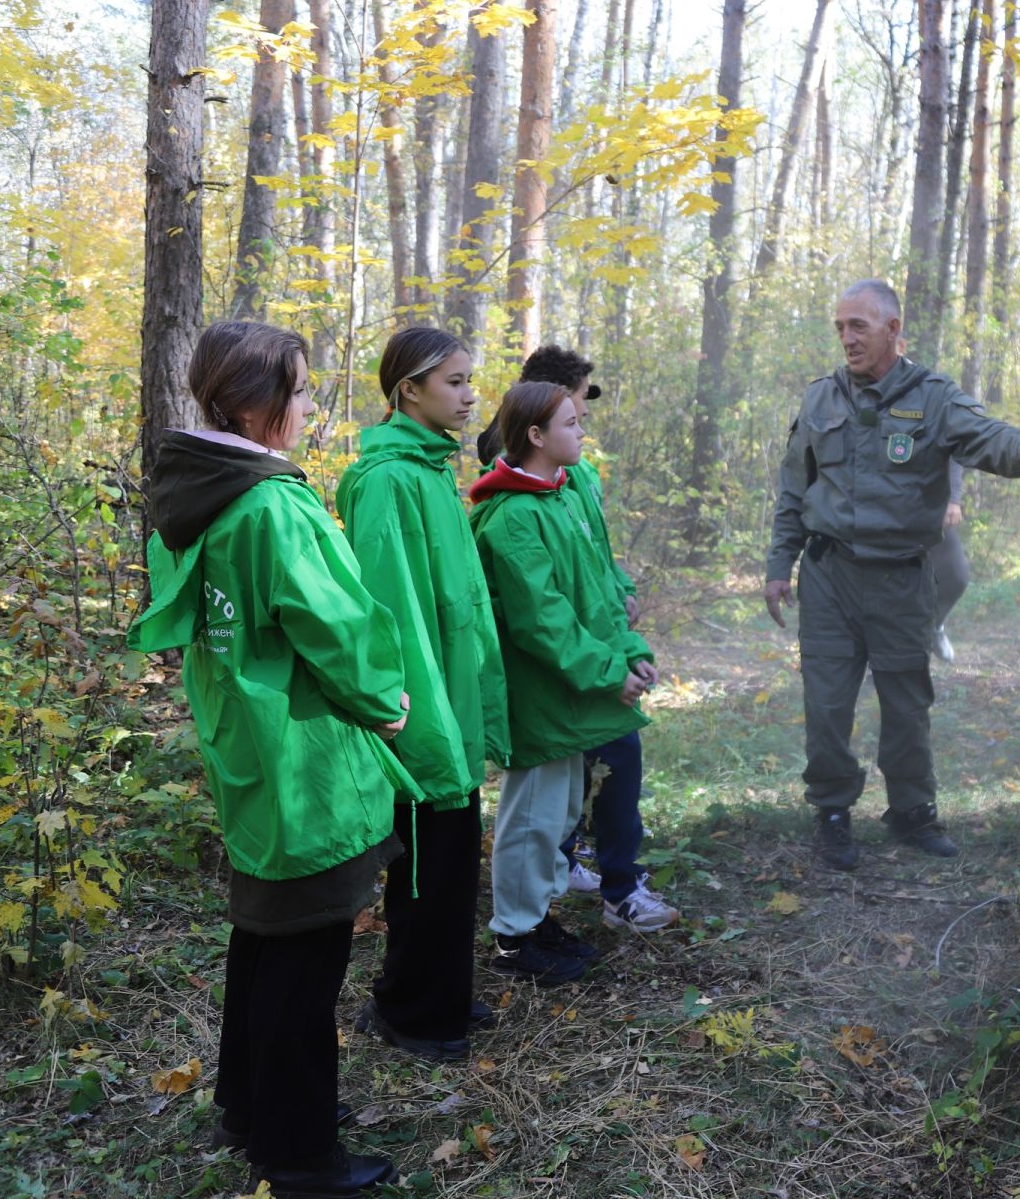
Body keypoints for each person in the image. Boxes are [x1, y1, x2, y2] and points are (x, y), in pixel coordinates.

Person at [128, 320, 417, 1197]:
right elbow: (334, 624)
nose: (306, 408)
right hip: (304, 762)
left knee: (261, 937)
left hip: (249, 752)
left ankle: (249, 1107)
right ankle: (299, 1155)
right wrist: (387, 702)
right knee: (306, 958)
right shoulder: (271, 505)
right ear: (253, 407)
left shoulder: (198, 499)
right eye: (296, 391)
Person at [764, 279, 1020, 869]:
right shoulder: (821, 400)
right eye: (840, 327)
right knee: (827, 705)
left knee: (906, 703)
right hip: (830, 577)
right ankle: (832, 812)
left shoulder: (933, 397)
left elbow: (986, 437)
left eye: (858, 325)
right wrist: (777, 565)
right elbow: (795, 488)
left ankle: (912, 813)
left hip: (900, 579)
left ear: (892, 329)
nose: (846, 337)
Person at [336, 326, 511, 1062]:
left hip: (452, 693)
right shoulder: (386, 479)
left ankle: (443, 995)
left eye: (471, 380)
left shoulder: (434, 468)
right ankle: (411, 1012)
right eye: (456, 382)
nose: (472, 396)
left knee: (451, 862)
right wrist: (414, 710)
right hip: (419, 705)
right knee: (423, 868)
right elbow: (389, 610)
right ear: (408, 388)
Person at [475, 345, 675, 932]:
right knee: (534, 816)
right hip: (549, 694)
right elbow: (543, 620)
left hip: (581, 684)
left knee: (559, 809)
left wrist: (631, 654)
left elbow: (599, 584)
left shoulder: (566, 489)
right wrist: (612, 671)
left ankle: (536, 921)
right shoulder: (512, 516)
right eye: (573, 420)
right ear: (536, 434)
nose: (584, 427)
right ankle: (517, 934)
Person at [930, 461, 970, 663]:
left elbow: (953, 456)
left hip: (931, 507)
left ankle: (934, 627)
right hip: (883, 514)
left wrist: (953, 499)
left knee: (957, 575)